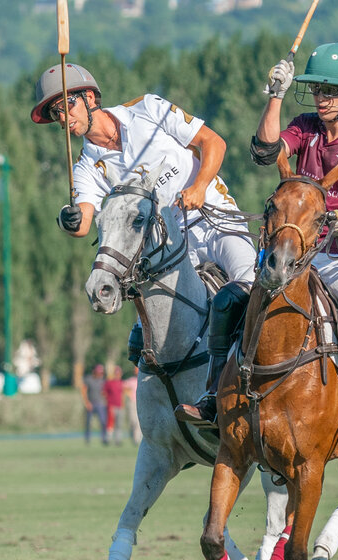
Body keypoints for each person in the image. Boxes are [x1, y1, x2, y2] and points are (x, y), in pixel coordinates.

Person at [30, 63, 257, 428]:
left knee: (250, 285)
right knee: (149, 339)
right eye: (55, 113)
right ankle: (180, 414)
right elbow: (83, 220)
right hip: (172, 253)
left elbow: (213, 142)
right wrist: (66, 218)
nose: (62, 119)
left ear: (89, 98)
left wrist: (199, 187)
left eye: (66, 107)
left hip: (216, 220)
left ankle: (268, 383)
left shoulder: (147, 109)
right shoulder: (87, 166)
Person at [245, 43, 338, 461]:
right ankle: (217, 395)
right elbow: (266, 151)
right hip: (297, 252)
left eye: (331, 90)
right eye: (317, 89)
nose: (321, 97)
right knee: (238, 300)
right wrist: (275, 95)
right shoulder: (304, 126)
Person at [79, 364, 109, 445]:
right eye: (99, 373)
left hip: (101, 404)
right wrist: (86, 402)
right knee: (88, 423)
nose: (100, 374)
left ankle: (104, 438)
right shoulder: (89, 379)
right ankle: (87, 439)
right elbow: (83, 391)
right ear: (94, 372)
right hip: (91, 404)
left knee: (103, 422)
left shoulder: (103, 381)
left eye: (101, 373)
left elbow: (105, 392)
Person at [103, 366, 125, 445]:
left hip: (119, 406)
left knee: (119, 424)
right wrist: (108, 403)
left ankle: (118, 440)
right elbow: (104, 393)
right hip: (111, 405)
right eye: (117, 373)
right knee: (110, 423)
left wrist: (123, 404)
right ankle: (107, 439)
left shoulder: (121, 383)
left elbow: (122, 394)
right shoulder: (109, 382)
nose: (118, 375)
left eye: (119, 373)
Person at [122, 367, 142, 445]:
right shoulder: (131, 380)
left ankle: (137, 439)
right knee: (133, 421)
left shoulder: (143, 380)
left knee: (138, 421)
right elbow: (123, 387)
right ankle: (134, 436)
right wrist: (129, 394)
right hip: (132, 402)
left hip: (140, 402)